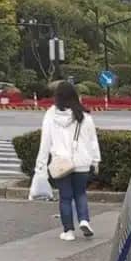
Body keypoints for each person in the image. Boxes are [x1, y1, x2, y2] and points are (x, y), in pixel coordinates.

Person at [36, 82, 100, 241]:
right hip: (82, 162)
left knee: (65, 197)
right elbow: (93, 140)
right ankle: (84, 220)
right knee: (80, 193)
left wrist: (41, 165)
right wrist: (96, 160)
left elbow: (45, 142)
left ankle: (68, 231)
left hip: (61, 162)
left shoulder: (51, 115)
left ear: (57, 97)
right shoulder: (84, 116)